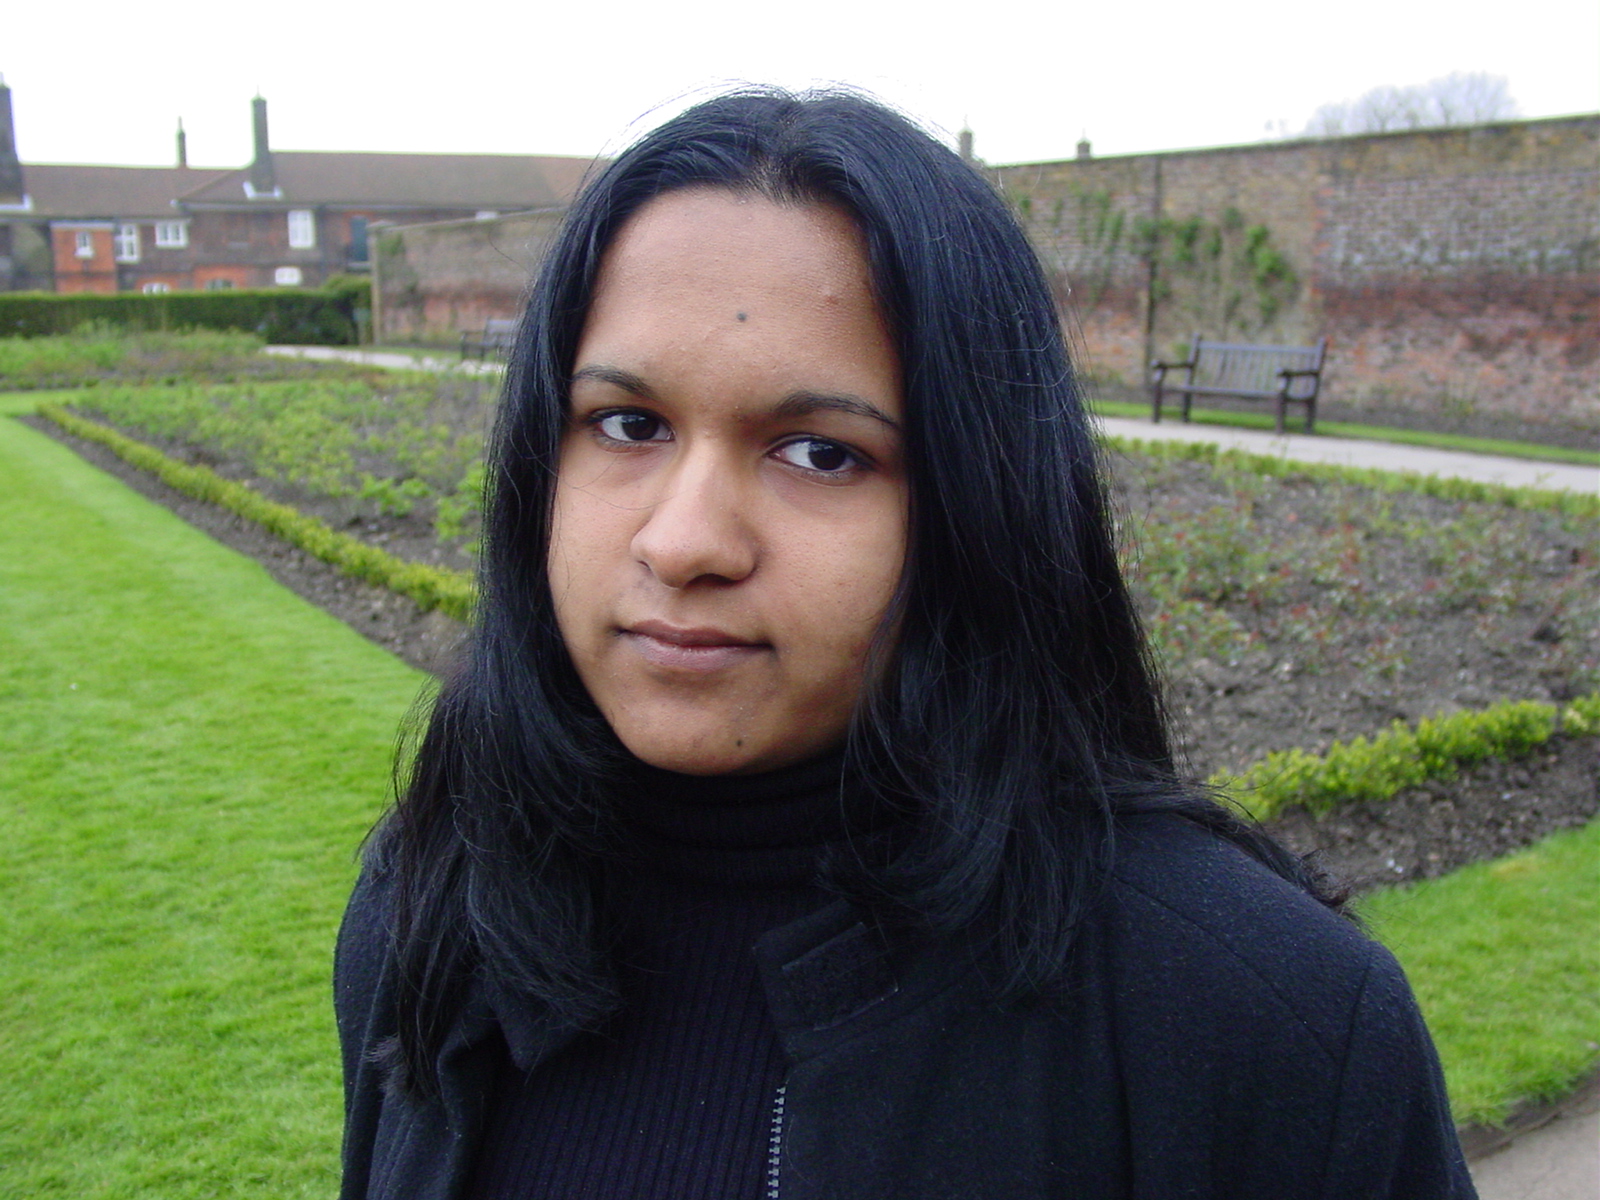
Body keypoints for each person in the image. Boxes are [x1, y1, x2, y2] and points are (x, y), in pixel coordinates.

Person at [335, 89, 1476, 1199]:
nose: (682, 543)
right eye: (627, 425)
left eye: (820, 452)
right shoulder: (433, 904)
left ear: (980, 506)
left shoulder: (1268, 1026)